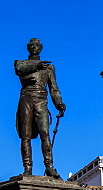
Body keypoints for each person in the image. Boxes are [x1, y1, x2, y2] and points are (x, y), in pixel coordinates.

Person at [14, 38, 66, 178]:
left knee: (45, 134)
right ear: (28, 47)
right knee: (25, 136)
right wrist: (36, 66)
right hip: (26, 99)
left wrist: (58, 103)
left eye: (37, 45)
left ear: (41, 48)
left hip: (41, 101)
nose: (34, 47)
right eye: (32, 45)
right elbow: (19, 70)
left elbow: (54, 89)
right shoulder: (21, 63)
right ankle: (27, 168)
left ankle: (49, 167)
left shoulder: (49, 68)